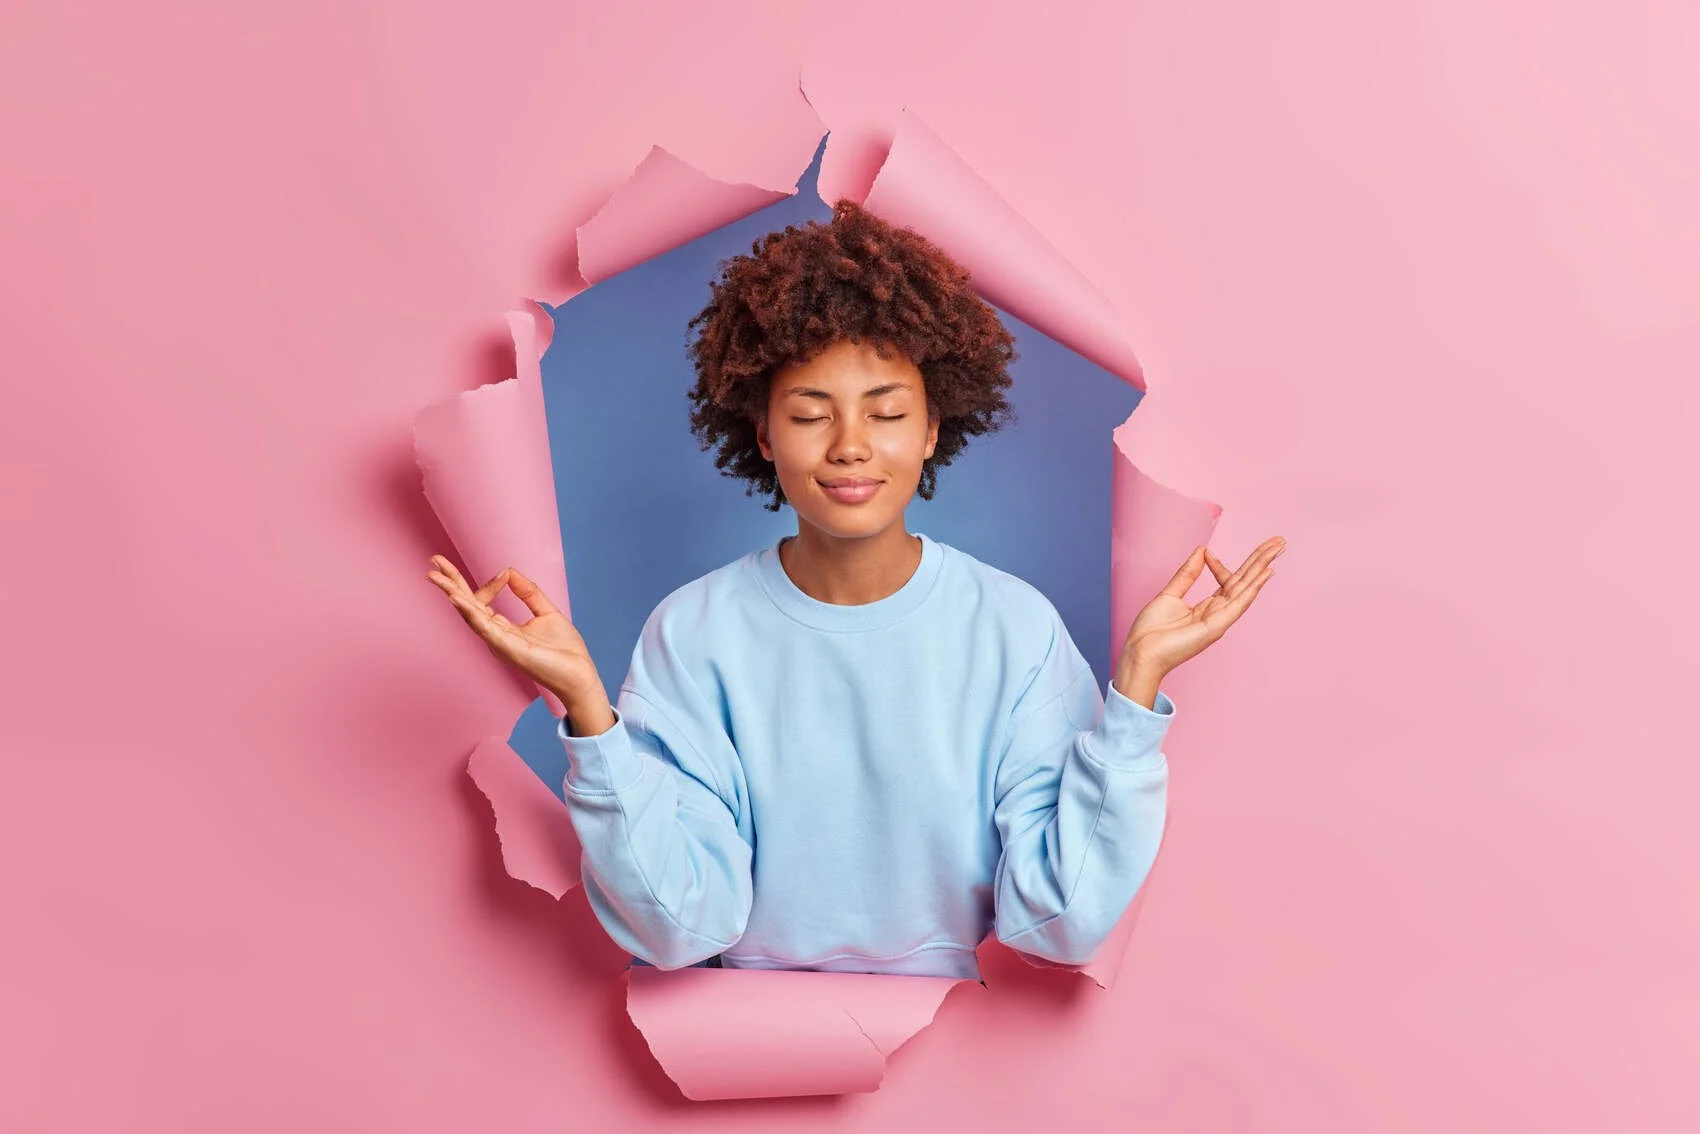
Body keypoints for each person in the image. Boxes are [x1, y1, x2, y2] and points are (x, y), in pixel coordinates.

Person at [428, 200, 1283, 979]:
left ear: (934, 426)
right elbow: (680, 928)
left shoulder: (1014, 629)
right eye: (808, 414)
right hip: (756, 1065)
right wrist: (588, 714)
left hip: (953, 1065)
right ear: (760, 432)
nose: (849, 445)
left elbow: (1058, 922)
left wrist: (1135, 696)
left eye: (885, 411)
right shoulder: (693, 633)